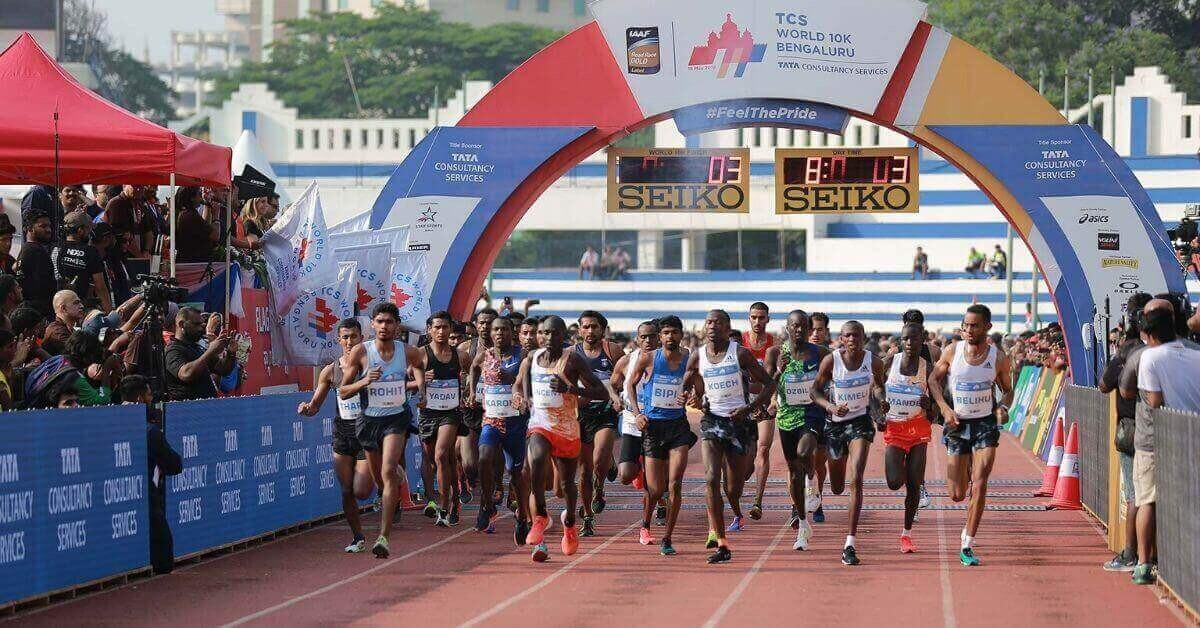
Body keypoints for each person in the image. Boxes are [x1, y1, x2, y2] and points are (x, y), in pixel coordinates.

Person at [513, 315, 605, 562]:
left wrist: (570, 389)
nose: (548, 337)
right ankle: (540, 516)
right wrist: (524, 398)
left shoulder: (572, 359)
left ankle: (570, 523)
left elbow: (602, 392)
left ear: (563, 335)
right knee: (535, 460)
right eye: (544, 332)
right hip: (540, 424)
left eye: (554, 333)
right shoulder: (531, 358)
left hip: (566, 428)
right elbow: (521, 385)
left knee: (566, 486)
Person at [687, 309, 774, 564]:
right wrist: (690, 396)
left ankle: (735, 508)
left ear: (727, 328)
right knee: (711, 478)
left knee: (733, 488)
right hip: (712, 422)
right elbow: (688, 382)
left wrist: (749, 407)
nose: (712, 326)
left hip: (739, 424)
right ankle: (721, 541)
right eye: (709, 322)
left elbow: (770, 384)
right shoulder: (698, 355)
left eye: (718, 322)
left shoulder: (741, 354)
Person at [930, 304, 1014, 567]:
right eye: (965, 325)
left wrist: (1003, 408)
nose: (968, 330)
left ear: (987, 327)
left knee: (980, 483)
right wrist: (944, 408)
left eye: (974, 325)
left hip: (985, 425)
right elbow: (933, 380)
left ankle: (967, 542)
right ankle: (965, 469)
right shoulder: (952, 351)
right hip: (957, 424)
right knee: (956, 494)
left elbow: (1008, 390)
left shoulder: (998, 358)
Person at [340, 302, 425, 558]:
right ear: (373, 324)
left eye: (389, 322)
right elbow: (343, 391)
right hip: (369, 421)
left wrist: (421, 389)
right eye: (379, 321)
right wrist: (365, 380)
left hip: (396, 419)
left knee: (387, 472)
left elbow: (419, 367)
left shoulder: (408, 352)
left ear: (397, 325)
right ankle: (395, 478)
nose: (384, 326)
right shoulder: (361, 352)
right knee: (380, 480)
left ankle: (383, 537)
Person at [1129, 301, 1200, 585]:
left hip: (1159, 438)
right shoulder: (1195, 354)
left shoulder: (1150, 357)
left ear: (1151, 334)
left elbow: (1155, 400)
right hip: (1192, 433)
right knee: (1188, 499)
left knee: (1147, 500)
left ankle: (1143, 563)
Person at [297, 318, 376, 553]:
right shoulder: (330, 371)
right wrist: (306, 409)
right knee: (346, 489)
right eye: (345, 337)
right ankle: (357, 537)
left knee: (362, 491)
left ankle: (387, 472)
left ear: (362, 338)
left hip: (367, 433)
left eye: (354, 337)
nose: (349, 342)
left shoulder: (372, 367)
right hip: (343, 434)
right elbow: (315, 406)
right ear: (339, 340)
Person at [812, 320, 886, 566]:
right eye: (847, 336)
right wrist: (831, 406)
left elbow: (879, 387)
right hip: (835, 425)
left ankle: (850, 543)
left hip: (860, 423)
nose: (852, 339)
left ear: (863, 337)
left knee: (856, 479)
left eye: (856, 335)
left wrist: (881, 402)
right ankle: (823, 487)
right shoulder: (831, 361)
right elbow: (815, 391)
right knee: (837, 487)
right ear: (841, 339)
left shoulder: (874, 362)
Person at [626, 315, 695, 556]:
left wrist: (693, 395)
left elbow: (697, 384)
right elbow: (630, 385)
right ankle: (645, 524)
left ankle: (667, 537)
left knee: (674, 484)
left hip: (678, 427)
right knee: (655, 490)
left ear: (681, 334)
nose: (670, 337)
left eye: (674, 332)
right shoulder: (648, 358)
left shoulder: (688, 357)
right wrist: (637, 414)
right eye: (666, 333)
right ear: (660, 336)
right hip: (653, 427)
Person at [764, 310, 829, 550]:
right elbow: (766, 383)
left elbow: (834, 378)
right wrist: (778, 372)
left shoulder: (820, 353)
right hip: (786, 417)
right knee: (793, 473)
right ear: (787, 328)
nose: (799, 329)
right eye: (794, 325)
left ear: (809, 329)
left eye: (803, 326)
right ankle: (802, 525)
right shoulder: (775, 353)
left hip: (812, 413)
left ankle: (812, 481)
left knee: (805, 452)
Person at [1100, 292, 1153, 572]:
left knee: (1136, 494)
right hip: (1163, 428)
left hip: (1133, 430)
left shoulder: (1129, 350)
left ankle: (1132, 554)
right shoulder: (1169, 346)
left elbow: (1104, 385)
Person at [467, 316, 530, 540]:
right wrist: (471, 392)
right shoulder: (484, 355)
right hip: (491, 420)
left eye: (504, 329)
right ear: (491, 333)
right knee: (483, 458)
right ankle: (487, 505)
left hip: (515, 422)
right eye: (496, 330)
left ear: (512, 332)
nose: (499, 333)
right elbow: (473, 369)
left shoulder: (523, 354)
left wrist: (513, 381)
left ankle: (522, 517)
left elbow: (526, 381)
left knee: (516, 473)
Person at [121, 375, 183, 574]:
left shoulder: (112, 425)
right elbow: (174, 464)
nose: (152, 399)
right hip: (147, 503)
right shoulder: (149, 432)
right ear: (140, 399)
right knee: (163, 560)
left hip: (124, 506)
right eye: (149, 395)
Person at [881, 322, 933, 553]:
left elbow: (938, 408)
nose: (910, 343)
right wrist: (879, 406)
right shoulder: (889, 363)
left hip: (919, 430)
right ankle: (902, 466)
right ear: (901, 341)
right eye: (906, 339)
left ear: (922, 340)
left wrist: (929, 405)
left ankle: (906, 534)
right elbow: (874, 387)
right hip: (895, 429)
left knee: (913, 485)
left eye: (914, 338)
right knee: (894, 482)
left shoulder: (928, 369)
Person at [573, 310, 623, 537]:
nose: (590, 331)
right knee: (584, 472)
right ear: (579, 329)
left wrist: (618, 396)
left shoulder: (612, 350)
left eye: (594, 326)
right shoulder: (571, 354)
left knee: (599, 455)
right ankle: (587, 517)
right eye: (586, 326)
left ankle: (600, 486)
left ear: (603, 329)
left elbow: (626, 377)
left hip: (605, 412)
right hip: (581, 415)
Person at [416, 311, 467, 527]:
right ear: (429, 330)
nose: (441, 331)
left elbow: (472, 376)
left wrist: (467, 392)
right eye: (437, 327)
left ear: (450, 329)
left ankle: (444, 506)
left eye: (445, 327)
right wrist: (420, 381)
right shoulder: (420, 355)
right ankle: (455, 497)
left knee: (441, 454)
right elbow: (405, 382)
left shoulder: (460, 356)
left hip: (451, 413)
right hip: (428, 413)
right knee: (438, 460)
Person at [457, 308, 498, 503]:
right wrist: (463, 395)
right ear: (476, 325)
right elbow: (454, 375)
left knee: (488, 458)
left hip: (496, 409)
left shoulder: (506, 349)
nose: (485, 326)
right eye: (481, 323)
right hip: (471, 408)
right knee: (469, 464)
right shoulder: (466, 348)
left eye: (489, 323)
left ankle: (492, 494)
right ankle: (468, 478)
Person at [739, 302, 775, 524]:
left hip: (765, 403)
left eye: (762, 317)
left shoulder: (774, 344)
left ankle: (757, 502)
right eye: (754, 317)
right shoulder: (740, 342)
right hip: (743, 404)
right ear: (749, 318)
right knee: (745, 465)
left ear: (768, 319)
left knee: (764, 448)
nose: (758, 321)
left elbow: (777, 377)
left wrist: (773, 400)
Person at [164, 307, 236, 401]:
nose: (201, 328)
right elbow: (186, 374)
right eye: (196, 324)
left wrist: (231, 353)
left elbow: (222, 369)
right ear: (181, 324)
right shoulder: (172, 350)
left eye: (202, 324)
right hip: (186, 407)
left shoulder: (196, 348)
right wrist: (211, 350)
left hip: (206, 405)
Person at [52, 212, 112, 313]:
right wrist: (109, 313)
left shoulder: (55, 248)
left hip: (56, 305)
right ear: (80, 231)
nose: (90, 234)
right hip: (78, 307)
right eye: (89, 230)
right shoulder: (90, 252)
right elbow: (100, 287)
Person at [806, 311, 832, 522]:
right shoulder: (795, 354)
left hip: (823, 414)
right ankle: (798, 503)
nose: (815, 333)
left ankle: (818, 499)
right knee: (799, 459)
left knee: (818, 462)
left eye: (819, 329)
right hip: (800, 414)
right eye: (812, 329)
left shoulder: (831, 357)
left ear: (826, 331)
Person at [15, 208, 56, 316]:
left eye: (49, 226)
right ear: (29, 228)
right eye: (43, 226)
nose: (48, 230)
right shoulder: (35, 252)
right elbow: (39, 289)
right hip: (39, 313)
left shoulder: (27, 249)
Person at [173, 187, 219, 263]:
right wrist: (216, 216)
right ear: (192, 198)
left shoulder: (186, 213)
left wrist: (207, 206)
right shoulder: (191, 216)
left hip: (190, 260)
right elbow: (215, 236)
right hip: (194, 261)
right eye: (199, 194)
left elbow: (205, 227)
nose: (201, 198)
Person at [104, 185, 148, 257]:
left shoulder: (139, 204)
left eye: (142, 187)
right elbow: (123, 235)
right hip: (120, 255)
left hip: (137, 253)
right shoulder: (116, 203)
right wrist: (140, 257)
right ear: (124, 186)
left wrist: (147, 250)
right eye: (135, 186)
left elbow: (148, 230)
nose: (138, 190)